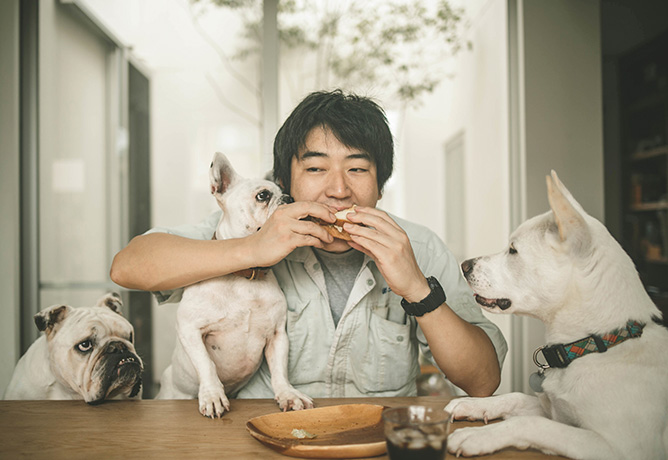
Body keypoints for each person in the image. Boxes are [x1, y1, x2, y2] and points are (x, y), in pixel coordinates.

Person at [110, 89, 507, 398]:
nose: (338, 189)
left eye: (357, 168)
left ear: (381, 186)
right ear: (285, 183)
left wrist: (417, 288)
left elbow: (483, 382)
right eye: (316, 168)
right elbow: (127, 266)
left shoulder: (417, 246)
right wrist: (252, 250)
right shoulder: (248, 226)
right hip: (257, 441)